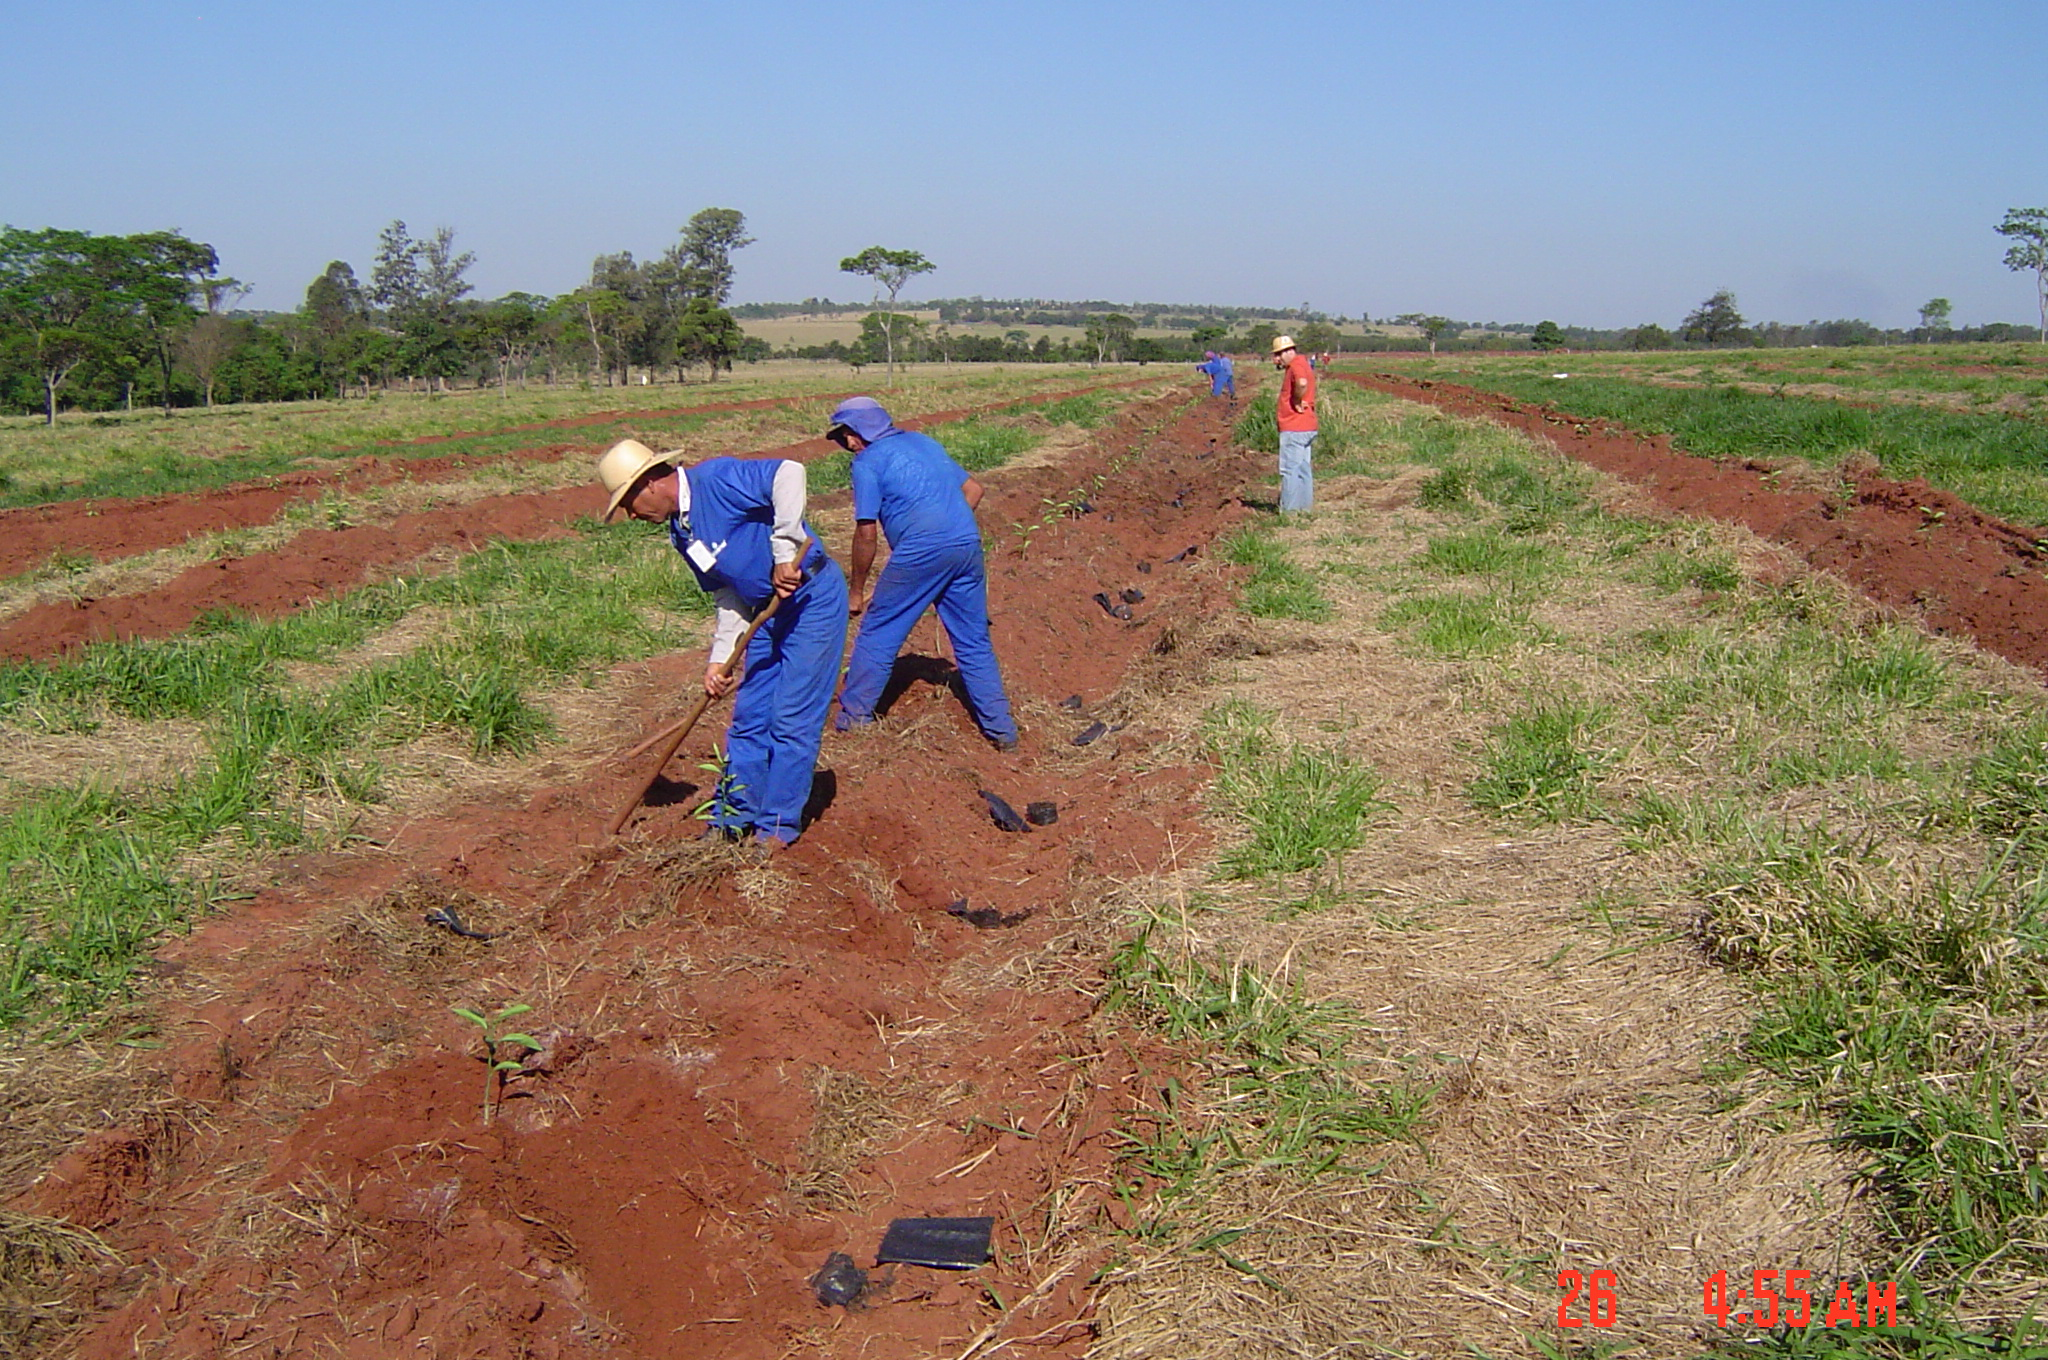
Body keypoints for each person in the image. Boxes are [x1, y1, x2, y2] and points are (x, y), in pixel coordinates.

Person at [596, 438, 849, 846]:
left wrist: (785, 550)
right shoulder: (681, 532)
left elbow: (789, 472)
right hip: (764, 612)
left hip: (810, 600)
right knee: (749, 718)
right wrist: (720, 658)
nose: (630, 514)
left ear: (650, 483)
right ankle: (731, 820)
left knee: (790, 718)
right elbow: (727, 594)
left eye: (628, 502)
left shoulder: (717, 480)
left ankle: (776, 830)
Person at [827, 397, 1019, 752]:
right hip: (965, 545)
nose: (847, 444)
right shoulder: (923, 442)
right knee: (973, 640)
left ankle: (852, 724)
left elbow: (865, 532)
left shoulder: (867, 462)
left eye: (847, 435)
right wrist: (947, 526)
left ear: (860, 432)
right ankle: (1003, 733)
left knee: (878, 632)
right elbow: (974, 489)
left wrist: (856, 592)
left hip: (920, 552)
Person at [1270, 334, 1318, 512]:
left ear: (1289, 351)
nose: (1276, 359)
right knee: (1303, 469)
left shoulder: (1295, 366)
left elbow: (1302, 383)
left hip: (1294, 427)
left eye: (1279, 354)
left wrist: (1297, 400)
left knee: (1290, 470)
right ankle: (1304, 509)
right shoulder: (1303, 363)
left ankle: (1289, 512)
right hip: (1307, 426)